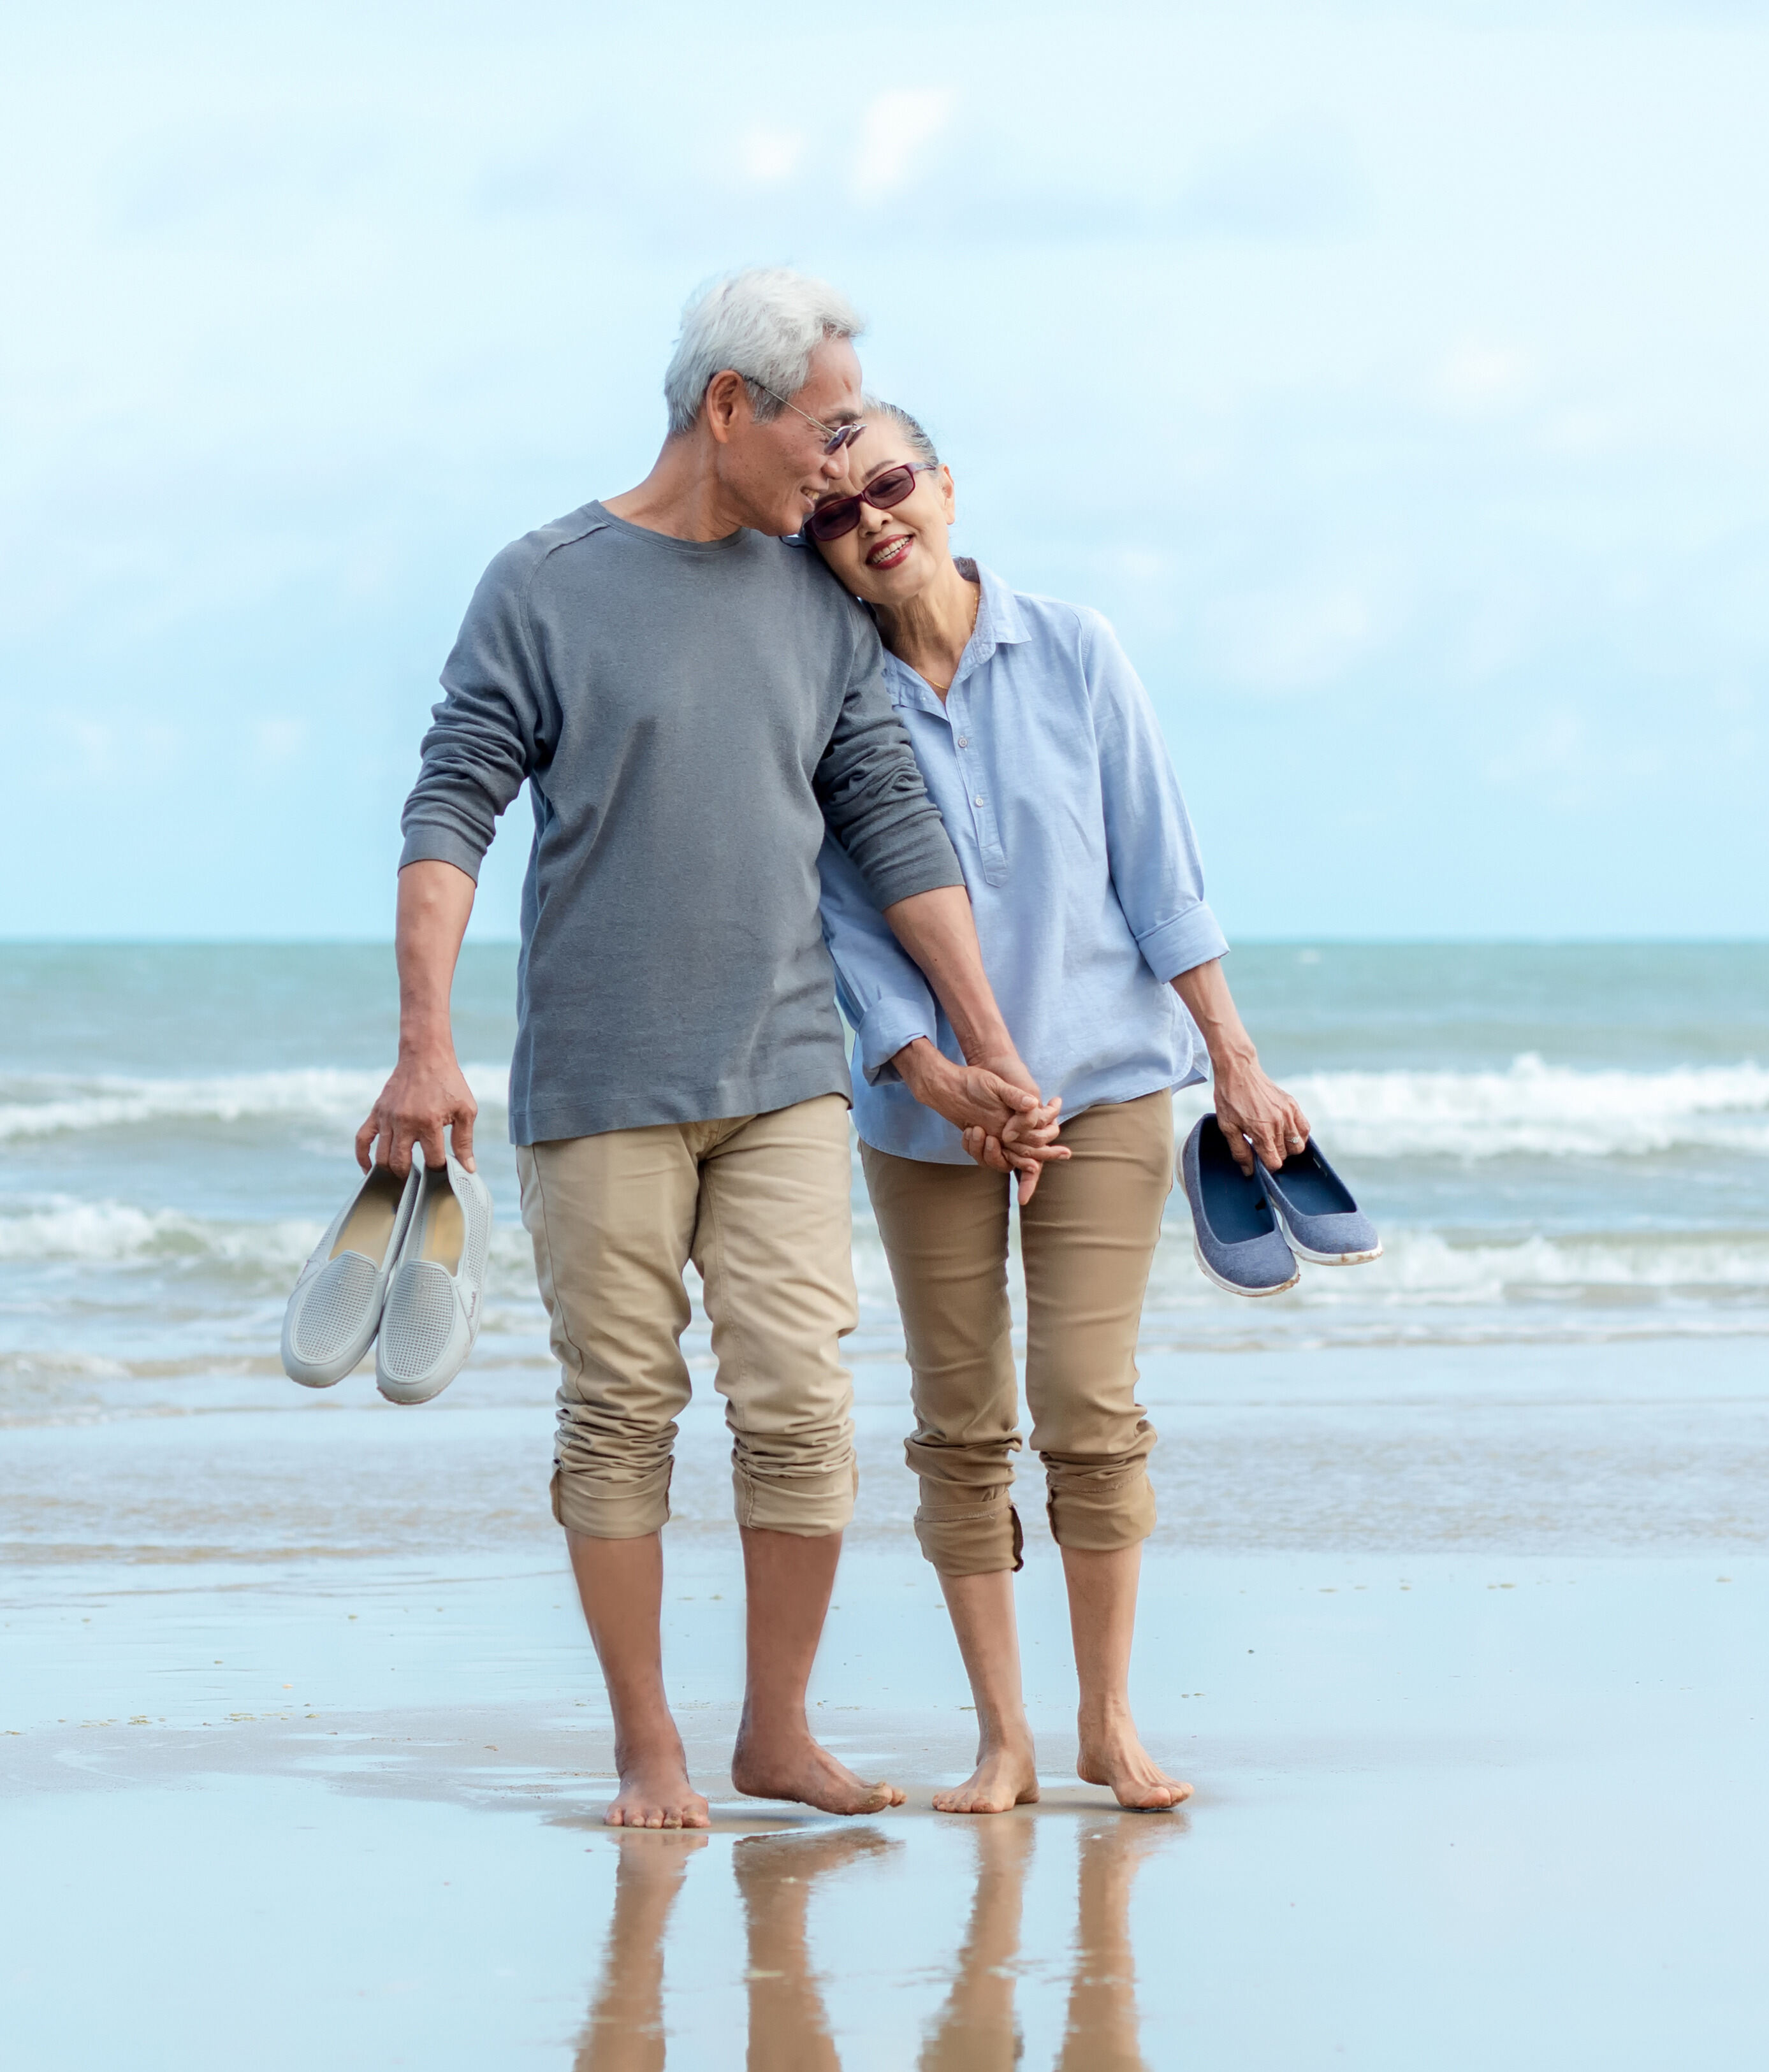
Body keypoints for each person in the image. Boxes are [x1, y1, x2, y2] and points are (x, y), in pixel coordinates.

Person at [367, 271, 1066, 1830]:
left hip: (786, 1073)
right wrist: (425, 1042)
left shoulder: (815, 602)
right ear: (728, 410)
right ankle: (647, 1748)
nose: (838, 472)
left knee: (801, 1408)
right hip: (602, 1081)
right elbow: (450, 808)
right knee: (619, 1412)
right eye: (824, 433)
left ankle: (775, 1734)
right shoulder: (541, 584)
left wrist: (989, 1043)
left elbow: (888, 813)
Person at [808, 400, 1312, 1814]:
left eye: (890, 485)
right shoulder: (831, 698)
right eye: (835, 513)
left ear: (948, 487)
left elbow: (1161, 872)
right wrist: (933, 1070)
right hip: (929, 1117)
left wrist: (1236, 1055)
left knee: (1088, 1403)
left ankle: (1105, 1723)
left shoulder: (1076, 649)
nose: (871, 521)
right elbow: (847, 926)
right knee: (959, 1420)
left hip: (1105, 1086)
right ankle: (1003, 1741)